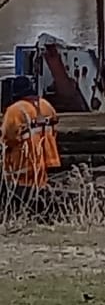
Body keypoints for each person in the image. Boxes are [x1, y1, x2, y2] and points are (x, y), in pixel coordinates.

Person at [3, 76, 60, 208]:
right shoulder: (46, 105)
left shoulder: (14, 110)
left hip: (24, 160)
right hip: (47, 158)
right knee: (40, 188)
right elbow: (54, 129)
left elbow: (7, 137)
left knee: (21, 195)